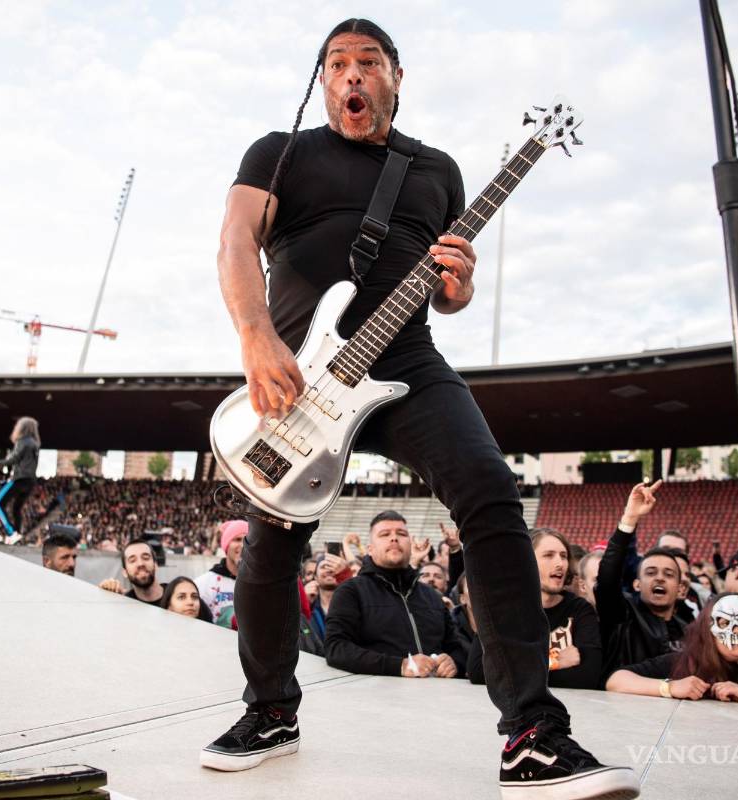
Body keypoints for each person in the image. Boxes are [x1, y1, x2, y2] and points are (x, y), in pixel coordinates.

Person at [200, 19, 638, 797]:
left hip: (405, 362)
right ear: (324, 80)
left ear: (397, 76)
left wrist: (460, 285)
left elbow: (453, 292)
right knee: (272, 529)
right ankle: (269, 711)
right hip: (298, 370)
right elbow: (235, 242)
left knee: (490, 490)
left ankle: (532, 734)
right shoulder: (280, 152)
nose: (351, 76)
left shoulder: (435, 169)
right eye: (336, 65)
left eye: (367, 62)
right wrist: (254, 335)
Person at [322, 512, 465, 679]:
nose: (394, 538)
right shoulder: (351, 592)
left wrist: (454, 662)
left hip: (439, 699)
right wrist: (400, 666)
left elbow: (456, 647)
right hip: (379, 699)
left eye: (401, 534)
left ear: (410, 545)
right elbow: (336, 648)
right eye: (384, 534)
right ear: (370, 549)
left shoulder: (432, 596)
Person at [605, 593, 738, 706]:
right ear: (709, 631)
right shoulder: (682, 662)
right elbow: (616, 680)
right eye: (725, 623)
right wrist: (669, 688)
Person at [596, 481, 688, 680]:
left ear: (681, 589)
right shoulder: (623, 615)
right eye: (651, 572)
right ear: (636, 584)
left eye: (669, 574)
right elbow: (607, 580)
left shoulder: (691, 630)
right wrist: (630, 518)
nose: (660, 578)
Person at [531, 529, 602, 690]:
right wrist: (555, 662)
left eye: (563, 556)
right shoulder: (508, 607)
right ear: (527, 561)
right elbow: (479, 670)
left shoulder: (580, 609)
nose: (560, 563)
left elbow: (588, 677)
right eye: (549, 555)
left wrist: (517, 669)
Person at [0, 417, 40, 543]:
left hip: (19, 479)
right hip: (30, 481)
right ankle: (18, 534)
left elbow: (13, 459)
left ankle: (11, 532)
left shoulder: (23, 441)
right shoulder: (35, 444)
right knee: (17, 508)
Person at [195, 520, 246, 628]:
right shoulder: (204, 583)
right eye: (237, 539)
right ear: (226, 546)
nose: (242, 545)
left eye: (247, 540)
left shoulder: (261, 583)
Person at [100, 539, 163, 605]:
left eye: (145, 558)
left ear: (155, 565)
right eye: (132, 560)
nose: (140, 564)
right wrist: (104, 593)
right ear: (125, 572)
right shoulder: (124, 604)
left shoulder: (173, 594)